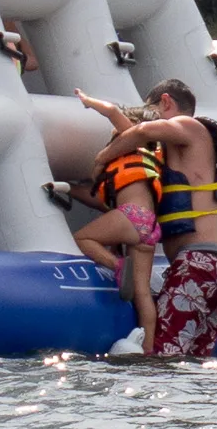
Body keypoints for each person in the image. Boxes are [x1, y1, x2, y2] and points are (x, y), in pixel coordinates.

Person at [85, 80, 217, 359]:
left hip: (196, 266)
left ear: (166, 102)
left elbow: (142, 131)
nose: (149, 118)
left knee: (162, 359)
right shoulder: (180, 155)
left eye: (152, 110)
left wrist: (102, 158)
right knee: (194, 363)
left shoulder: (189, 126)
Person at [48, 145, 167, 350]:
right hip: (151, 225)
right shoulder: (147, 165)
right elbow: (102, 202)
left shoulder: (121, 153)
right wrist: (68, 188)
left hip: (133, 215)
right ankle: (148, 351)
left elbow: (100, 200)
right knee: (143, 293)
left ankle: (117, 265)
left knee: (82, 238)